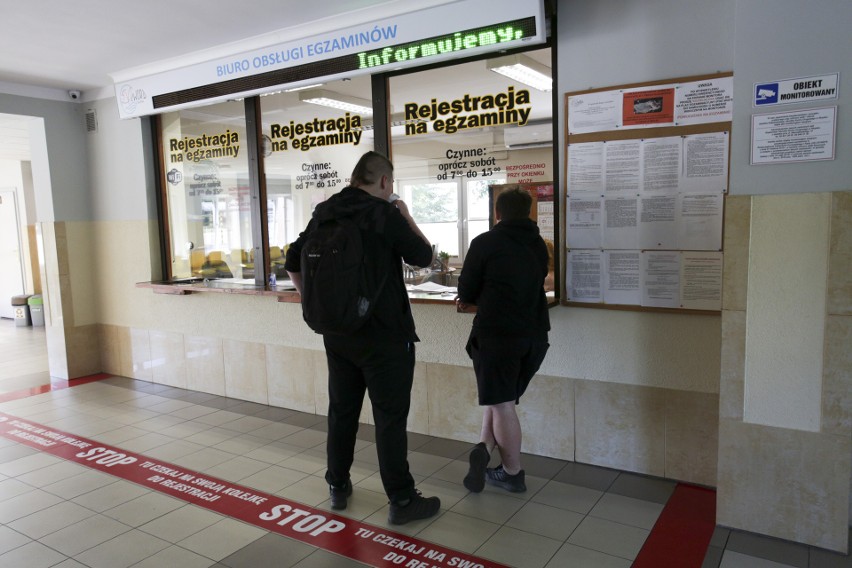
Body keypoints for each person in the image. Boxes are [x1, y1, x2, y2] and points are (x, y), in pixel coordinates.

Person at [284, 151, 440, 525]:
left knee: (342, 412)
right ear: (385, 181)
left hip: (338, 335)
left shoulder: (326, 211)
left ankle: (337, 485)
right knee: (388, 419)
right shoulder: (384, 213)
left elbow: (292, 261)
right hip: (385, 335)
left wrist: (314, 303)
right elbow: (423, 257)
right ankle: (402, 500)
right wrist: (403, 212)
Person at [456, 187, 550, 494]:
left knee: (503, 404)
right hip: (534, 337)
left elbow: (467, 290)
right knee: (499, 400)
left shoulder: (486, 242)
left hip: (497, 336)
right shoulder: (538, 244)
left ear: (498, 213)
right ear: (528, 213)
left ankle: (513, 472)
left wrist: (481, 297)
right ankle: (483, 450)